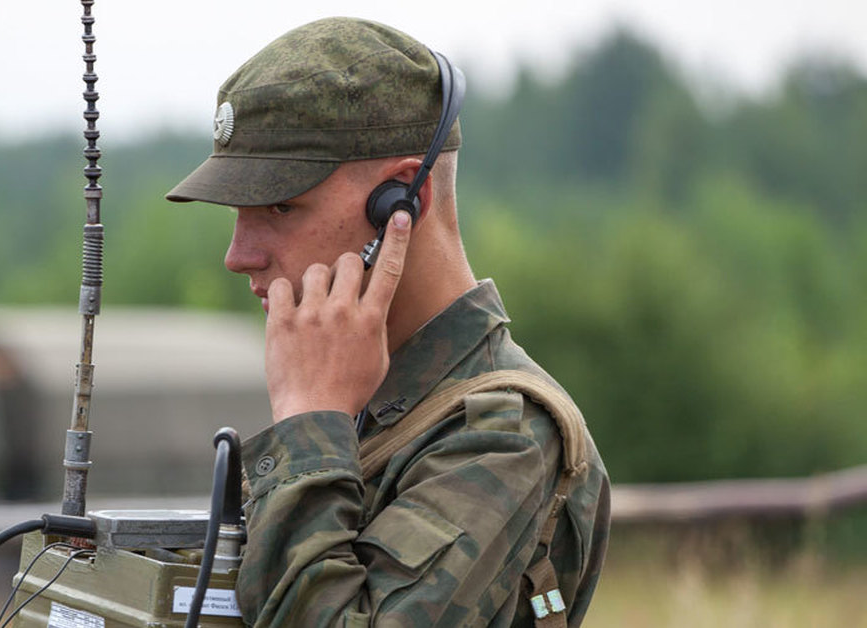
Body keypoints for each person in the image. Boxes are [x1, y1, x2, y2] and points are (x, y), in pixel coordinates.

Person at [166, 17, 609, 627]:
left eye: (280, 206)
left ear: (401, 203)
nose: (239, 255)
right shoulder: (360, 402)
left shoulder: (503, 434)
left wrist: (307, 426)